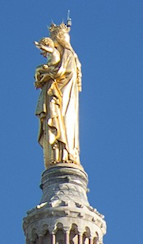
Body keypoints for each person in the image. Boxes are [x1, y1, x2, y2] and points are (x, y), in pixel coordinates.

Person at [34, 22, 82, 166]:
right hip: (54, 94)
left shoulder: (68, 54)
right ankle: (57, 154)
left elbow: (61, 72)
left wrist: (45, 74)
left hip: (63, 97)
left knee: (62, 124)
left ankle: (64, 153)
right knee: (55, 122)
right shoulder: (59, 55)